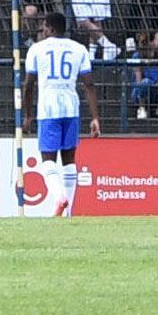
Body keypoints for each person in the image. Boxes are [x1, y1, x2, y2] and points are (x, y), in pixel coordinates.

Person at [19, 11, 97, 213]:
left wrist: (28, 115)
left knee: (47, 161)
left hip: (48, 109)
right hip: (71, 108)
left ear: (51, 28)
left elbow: (28, 85)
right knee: (69, 160)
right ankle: (68, 212)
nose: (43, 30)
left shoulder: (37, 49)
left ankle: (59, 197)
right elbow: (89, 84)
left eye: (45, 27)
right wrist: (95, 118)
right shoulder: (79, 49)